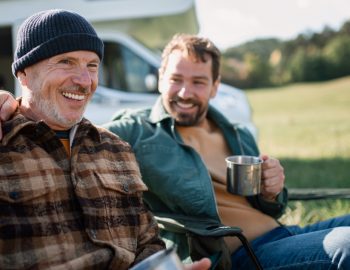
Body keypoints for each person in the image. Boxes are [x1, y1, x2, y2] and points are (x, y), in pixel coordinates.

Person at [1, 32, 349, 269]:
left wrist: (273, 191)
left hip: (283, 233)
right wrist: (9, 104)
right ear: (160, 78)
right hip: (238, 252)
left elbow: (271, 205)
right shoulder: (134, 131)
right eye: (175, 80)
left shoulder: (237, 132)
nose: (185, 92)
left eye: (198, 82)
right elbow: (69, 126)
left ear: (214, 88)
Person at [0, 10, 210, 270]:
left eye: (92, 66)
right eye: (66, 61)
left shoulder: (115, 148)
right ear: (23, 74)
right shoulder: (4, 143)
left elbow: (147, 244)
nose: (84, 81)